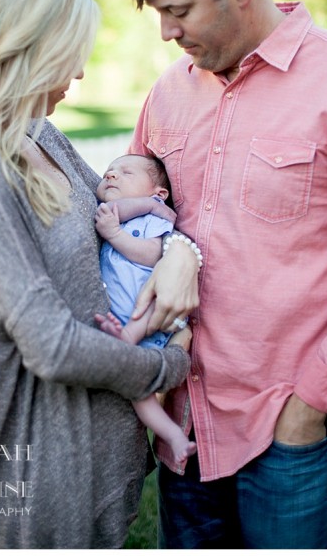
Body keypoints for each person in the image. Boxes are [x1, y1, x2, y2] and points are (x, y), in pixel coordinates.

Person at [0, 0, 201, 548]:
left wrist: (181, 257)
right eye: (72, 51)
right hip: (35, 465)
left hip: (96, 448)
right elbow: (48, 341)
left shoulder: (44, 137)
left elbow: (124, 220)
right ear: (26, 47)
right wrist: (167, 365)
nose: (81, 74)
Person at [124, 0, 327, 548]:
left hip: (288, 426)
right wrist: (179, 250)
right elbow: (135, 215)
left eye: (178, 10)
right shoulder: (167, 93)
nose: (167, 32)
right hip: (185, 420)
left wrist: (313, 401)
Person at [93, 153, 198, 465]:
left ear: (159, 193)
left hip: (156, 315)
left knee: (148, 306)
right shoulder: (119, 215)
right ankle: (175, 437)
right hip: (129, 321)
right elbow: (111, 206)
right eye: (109, 171)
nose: (112, 175)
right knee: (139, 393)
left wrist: (116, 233)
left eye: (125, 172)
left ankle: (126, 335)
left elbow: (152, 255)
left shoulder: (155, 220)